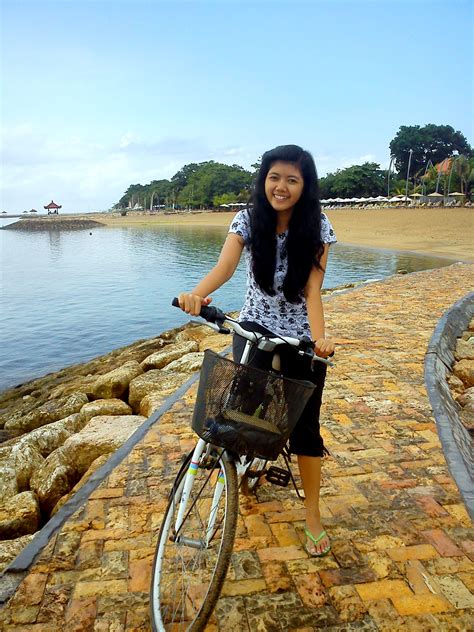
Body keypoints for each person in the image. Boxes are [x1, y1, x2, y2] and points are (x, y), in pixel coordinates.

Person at [178, 144, 336, 556]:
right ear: (263, 180)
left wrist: (320, 340)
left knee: (305, 428)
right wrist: (196, 295)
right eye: (274, 177)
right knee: (240, 413)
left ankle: (313, 516)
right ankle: (243, 468)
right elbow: (225, 267)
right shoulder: (247, 220)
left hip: (301, 337)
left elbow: (313, 290)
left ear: (305, 186)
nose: (281, 187)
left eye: (292, 179)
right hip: (252, 330)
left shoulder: (319, 227)